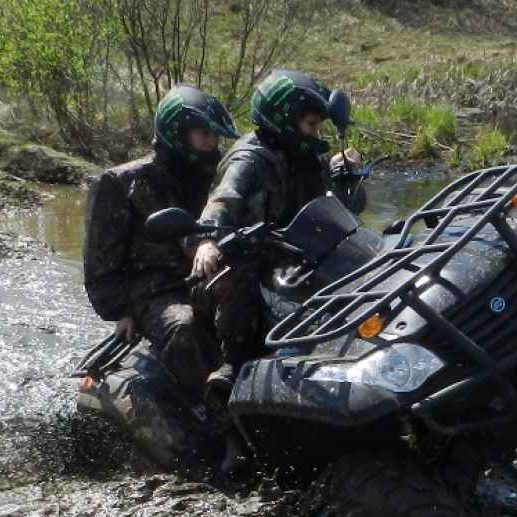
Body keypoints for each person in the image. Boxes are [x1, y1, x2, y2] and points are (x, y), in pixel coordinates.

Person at [191, 69, 367, 403]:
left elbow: (343, 210)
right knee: (239, 272)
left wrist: (346, 175)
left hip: (292, 256)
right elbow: (222, 200)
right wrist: (207, 241)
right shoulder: (248, 158)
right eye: (312, 124)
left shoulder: (307, 157)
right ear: (286, 120)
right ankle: (233, 364)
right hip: (240, 259)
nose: (317, 132)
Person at [81, 84, 239, 396]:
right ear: (177, 134)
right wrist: (122, 311)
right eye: (204, 135)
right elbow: (101, 260)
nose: (212, 144)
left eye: (215, 136)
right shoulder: (121, 183)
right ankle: (208, 409)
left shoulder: (216, 176)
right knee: (186, 328)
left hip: (209, 276)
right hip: (152, 290)